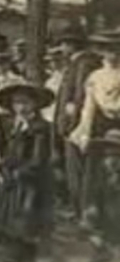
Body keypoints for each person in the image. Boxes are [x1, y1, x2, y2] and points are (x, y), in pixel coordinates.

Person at [69, 30, 120, 260]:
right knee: (97, 181)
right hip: (100, 132)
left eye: (117, 49)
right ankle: (98, 234)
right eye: (108, 49)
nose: (113, 53)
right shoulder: (95, 76)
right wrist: (83, 133)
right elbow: (88, 108)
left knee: (115, 183)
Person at [0, 81, 55, 262]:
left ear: (35, 104)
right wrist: (4, 167)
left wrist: (20, 172)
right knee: (11, 226)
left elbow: (38, 158)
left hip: (32, 183)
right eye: (16, 103)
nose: (20, 107)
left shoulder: (41, 128)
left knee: (26, 225)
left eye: (25, 102)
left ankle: (26, 255)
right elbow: (8, 151)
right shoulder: (15, 126)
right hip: (13, 181)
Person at [53, 28, 101, 219]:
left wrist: (71, 125)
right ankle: (78, 207)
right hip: (73, 122)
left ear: (72, 45)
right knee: (74, 167)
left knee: (76, 168)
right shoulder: (77, 62)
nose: (62, 48)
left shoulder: (83, 63)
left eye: (65, 44)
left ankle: (78, 209)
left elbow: (80, 96)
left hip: (77, 124)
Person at [0, 53, 24, 126]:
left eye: (3, 64)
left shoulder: (17, 80)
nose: (0, 67)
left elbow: (22, 99)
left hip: (12, 115)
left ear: (8, 64)